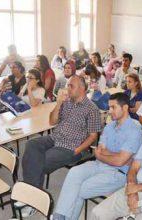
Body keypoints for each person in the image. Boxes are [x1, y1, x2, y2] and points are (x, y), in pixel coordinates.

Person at [52, 92, 142, 220]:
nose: (109, 111)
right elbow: (99, 153)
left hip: (118, 174)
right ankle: (59, 216)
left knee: (79, 189)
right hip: (99, 164)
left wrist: (109, 155)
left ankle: (61, 218)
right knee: (74, 172)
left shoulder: (134, 130)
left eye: (113, 107)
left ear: (125, 108)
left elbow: (118, 162)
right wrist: (116, 156)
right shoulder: (109, 126)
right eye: (109, 107)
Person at [20, 75, 102, 216]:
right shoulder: (66, 102)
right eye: (68, 85)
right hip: (54, 138)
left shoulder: (92, 109)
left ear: (82, 88)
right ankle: (32, 194)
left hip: (70, 146)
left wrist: (78, 150)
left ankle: (31, 200)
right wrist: (58, 103)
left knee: (40, 161)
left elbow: (93, 136)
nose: (67, 88)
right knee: (31, 145)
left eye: (71, 86)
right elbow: (52, 122)